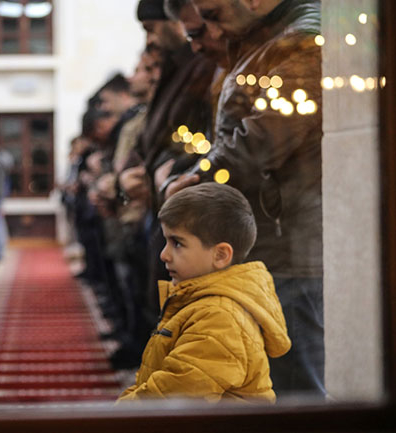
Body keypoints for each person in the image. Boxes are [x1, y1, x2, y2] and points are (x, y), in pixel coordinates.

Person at [163, 0, 325, 398]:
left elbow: (268, 135)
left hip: (288, 247)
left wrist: (201, 174)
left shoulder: (301, 40)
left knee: (294, 390)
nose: (211, 33)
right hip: (272, 239)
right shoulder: (265, 39)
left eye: (213, 17)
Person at [117, 183, 291, 402]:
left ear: (220, 255)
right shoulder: (202, 304)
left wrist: (115, 415)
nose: (164, 255)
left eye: (177, 243)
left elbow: (170, 400)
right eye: (166, 241)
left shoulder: (219, 319)